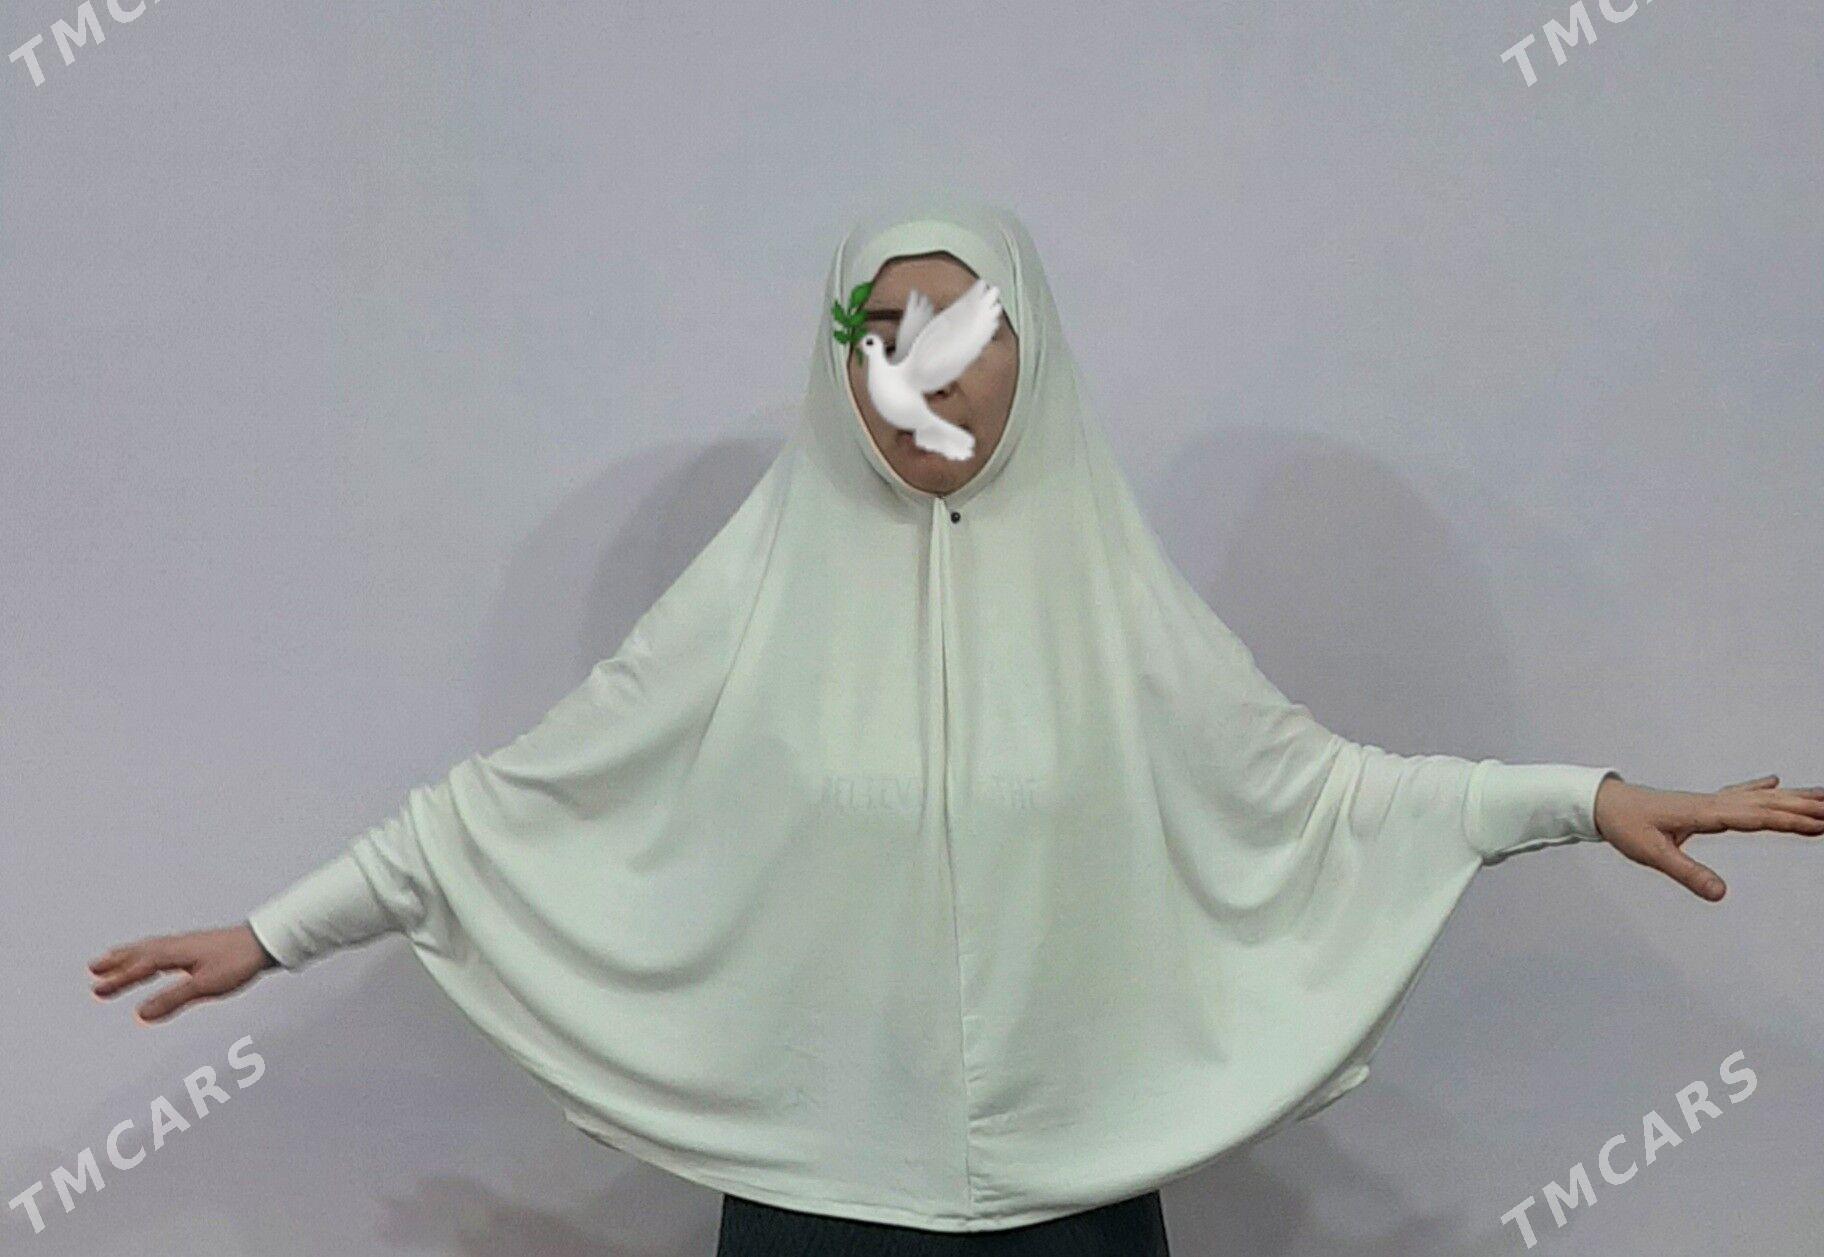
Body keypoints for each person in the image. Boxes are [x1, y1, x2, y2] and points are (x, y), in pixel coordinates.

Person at [88, 196, 1823, 1255]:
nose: (920, 373)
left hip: (1074, 1215)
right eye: (883, 334)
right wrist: (268, 934)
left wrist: (1590, 796)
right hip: (813, 1214)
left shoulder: (1119, 610)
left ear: (1032, 350)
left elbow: (1329, 795)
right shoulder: (745, 604)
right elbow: (506, 813)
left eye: (966, 331)